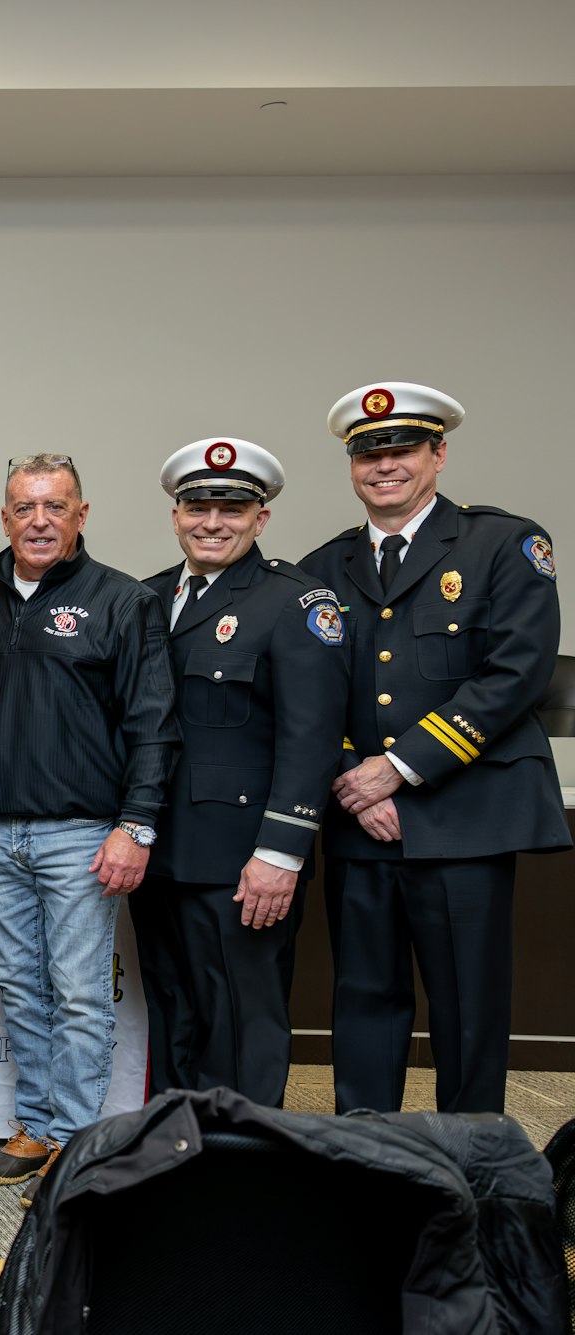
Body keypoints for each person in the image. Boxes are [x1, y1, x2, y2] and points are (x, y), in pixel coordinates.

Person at [302, 382, 567, 1115]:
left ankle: (473, 1160)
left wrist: (397, 770)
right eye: (367, 453)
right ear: (352, 466)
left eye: (403, 449)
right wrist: (357, 778)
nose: (384, 465)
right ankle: (367, 1154)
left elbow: (517, 673)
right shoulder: (323, 569)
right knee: (363, 1001)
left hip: (465, 818)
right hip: (363, 820)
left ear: (439, 453)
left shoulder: (503, 544)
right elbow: (309, 697)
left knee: (469, 1008)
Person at [0, 453, 177, 1205]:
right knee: (21, 987)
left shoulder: (123, 600)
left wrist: (135, 826)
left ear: (82, 514)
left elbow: (153, 724)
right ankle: (35, 1127)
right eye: (24, 507)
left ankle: (78, 1146)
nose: (39, 520)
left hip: (83, 834)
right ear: (5, 516)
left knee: (80, 993)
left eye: (55, 506)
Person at [133, 439, 348, 1109]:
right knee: (171, 1006)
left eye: (232, 508)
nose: (212, 522)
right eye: (198, 506)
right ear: (176, 515)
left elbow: (312, 739)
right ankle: (175, 1144)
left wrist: (280, 854)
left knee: (243, 1016)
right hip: (158, 849)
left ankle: (246, 1156)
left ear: (261, 518)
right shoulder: (145, 596)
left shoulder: (296, 602)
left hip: (241, 858)